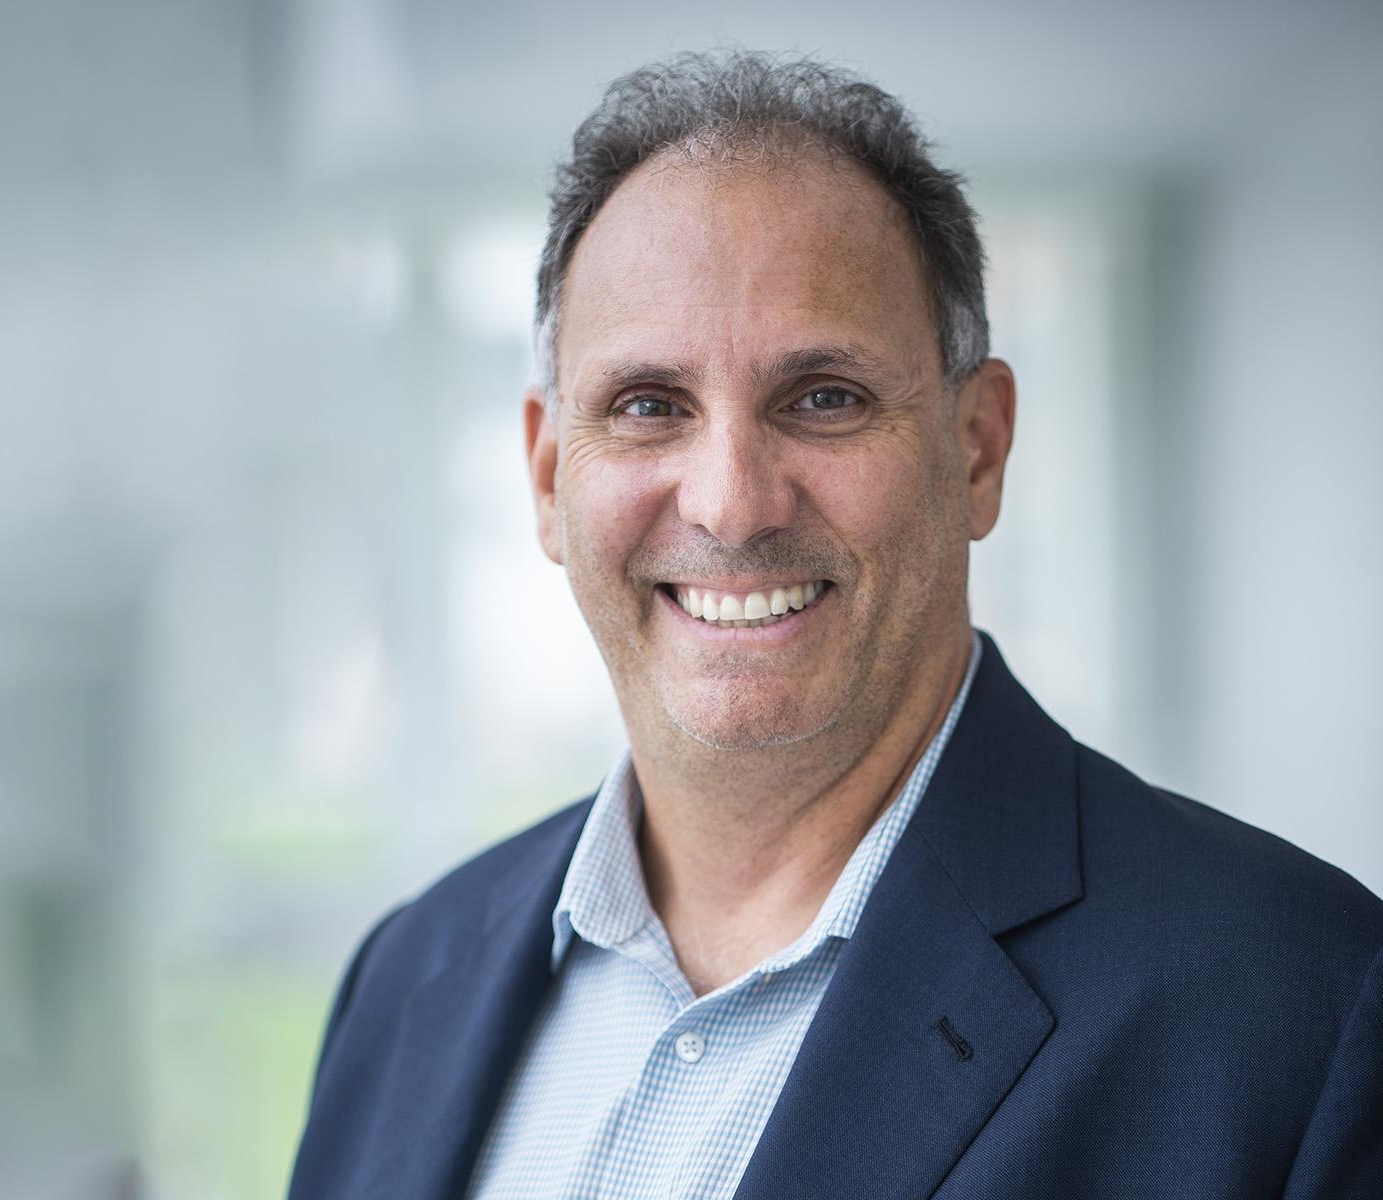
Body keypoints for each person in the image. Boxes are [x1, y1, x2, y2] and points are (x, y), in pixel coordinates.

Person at [287, 51, 1383, 1200]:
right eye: (648, 406)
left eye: (823, 398)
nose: (730, 502)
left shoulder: (1295, 1010)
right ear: (549, 473)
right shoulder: (407, 979)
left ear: (976, 449)